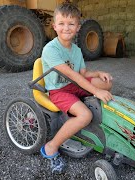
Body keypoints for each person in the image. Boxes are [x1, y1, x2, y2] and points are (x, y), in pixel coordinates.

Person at [40, 3, 113, 173]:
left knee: (106, 84)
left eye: (71, 24)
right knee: (85, 115)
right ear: (54, 26)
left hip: (73, 85)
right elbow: (73, 76)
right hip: (58, 90)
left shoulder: (77, 51)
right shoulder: (50, 50)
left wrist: (98, 74)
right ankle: (51, 146)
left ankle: (97, 120)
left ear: (78, 27)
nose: (66, 28)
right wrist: (96, 91)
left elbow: (83, 73)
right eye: (62, 23)